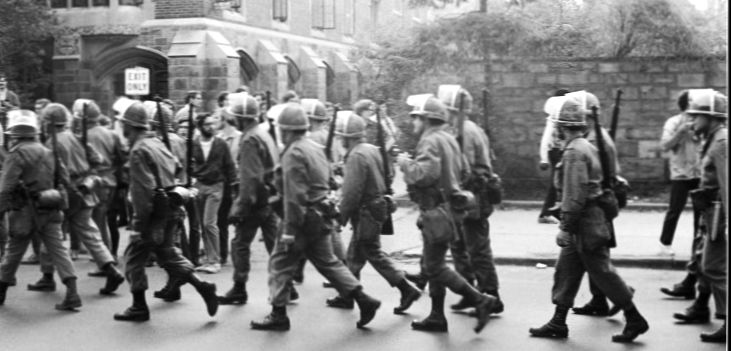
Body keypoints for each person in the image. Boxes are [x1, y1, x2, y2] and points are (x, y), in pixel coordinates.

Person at [528, 94, 648, 343]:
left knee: (603, 272)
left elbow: (575, 195)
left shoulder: (574, 152)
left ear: (562, 126)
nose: (554, 132)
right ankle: (558, 321)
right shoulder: (585, 146)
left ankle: (634, 318)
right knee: (566, 271)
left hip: (585, 223)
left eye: (556, 126)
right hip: (586, 222)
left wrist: (564, 227)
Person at [250, 103, 381, 331]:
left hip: (302, 217)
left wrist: (290, 230)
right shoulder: (313, 147)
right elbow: (327, 178)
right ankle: (364, 299)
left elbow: (294, 196)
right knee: (328, 262)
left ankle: (278, 314)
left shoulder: (293, 153)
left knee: (279, 263)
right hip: (320, 214)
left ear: (287, 129)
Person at [396, 95, 498, 333]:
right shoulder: (449, 138)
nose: (413, 123)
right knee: (435, 264)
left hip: (437, 211)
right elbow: (463, 170)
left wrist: (404, 163)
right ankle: (437, 315)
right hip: (450, 209)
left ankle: (480, 300)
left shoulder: (430, 140)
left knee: (435, 267)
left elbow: (424, 175)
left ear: (427, 119)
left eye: (416, 118)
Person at [113, 101, 218, 322]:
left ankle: (138, 306)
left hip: (153, 215)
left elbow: (143, 194)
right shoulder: (157, 143)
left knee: (132, 259)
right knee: (168, 254)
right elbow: (177, 167)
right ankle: (202, 286)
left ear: (129, 125)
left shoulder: (139, 150)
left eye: (123, 123)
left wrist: (138, 226)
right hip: (171, 207)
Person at [325, 112, 421, 313]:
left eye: (342, 136)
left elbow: (352, 193)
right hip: (375, 208)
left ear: (347, 137)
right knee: (354, 256)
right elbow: (385, 175)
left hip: (366, 211)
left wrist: (339, 219)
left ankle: (405, 289)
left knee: (372, 253)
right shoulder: (370, 149)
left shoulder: (356, 156)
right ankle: (348, 294)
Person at [29, 103, 125, 296]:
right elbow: (97, 160)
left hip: (65, 192)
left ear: (48, 122)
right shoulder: (78, 138)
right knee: (90, 234)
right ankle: (110, 269)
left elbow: (51, 171)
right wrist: (87, 174)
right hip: (85, 190)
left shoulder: (51, 143)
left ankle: (48, 277)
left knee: (51, 234)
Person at [0, 109, 81, 311]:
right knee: (59, 252)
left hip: (24, 212)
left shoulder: (16, 154)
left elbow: (6, 188)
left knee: (13, 252)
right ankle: (72, 292)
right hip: (50, 206)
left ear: (15, 135)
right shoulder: (48, 151)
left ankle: (1, 290)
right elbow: (64, 178)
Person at [436, 86, 504, 315]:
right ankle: (469, 293)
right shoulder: (462, 128)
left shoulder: (466, 132)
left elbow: (463, 168)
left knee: (477, 250)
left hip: (473, 197)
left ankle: (491, 296)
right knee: (459, 247)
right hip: (467, 197)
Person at [672, 89, 727, 343]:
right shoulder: (713, 138)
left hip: (719, 213)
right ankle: (701, 307)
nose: (691, 121)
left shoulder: (721, 143)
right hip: (710, 211)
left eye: (696, 117)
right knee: (703, 263)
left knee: (714, 266)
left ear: (712, 117)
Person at [217, 93, 280, 305]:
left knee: (240, 244)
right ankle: (285, 285)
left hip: (255, 202)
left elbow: (249, 178)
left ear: (241, 118)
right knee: (276, 246)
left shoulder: (249, 138)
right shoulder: (262, 133)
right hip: (270, 199)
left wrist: (240, 208)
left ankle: (239, 287)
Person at [659, 90, 705, 299]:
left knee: (700, 214)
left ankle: (697, 248)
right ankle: (665, 244)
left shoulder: (702, 122)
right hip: (680, 172)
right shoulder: (673, 122)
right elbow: (665, 145)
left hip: (699, 172)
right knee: (674, 210)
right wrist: (681, 132)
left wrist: (696, 132)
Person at [72, 99, 127, 269]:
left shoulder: (82, 138)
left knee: (98, 221)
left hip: (94, 182)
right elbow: (121, 158)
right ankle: (105, 256)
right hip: (110, 180)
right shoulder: (111, 134)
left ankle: (106, 260)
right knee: (100, 219)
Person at [190, 113, 236, 274]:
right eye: (207, 124)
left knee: (210, 223)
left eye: (213, 123)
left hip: (216, 186)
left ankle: (215, 261)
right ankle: (209, 259)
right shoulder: (193, 144)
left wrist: (234, 187)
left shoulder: (221, 144)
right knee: (203, 224)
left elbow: (229, 166)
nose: (211, 127)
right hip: (199, 185)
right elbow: (187, 164)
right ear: (200, 127)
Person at [537, 88, 570, 224]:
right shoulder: (554, 120)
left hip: (560, 151)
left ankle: (555, 211)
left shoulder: (558, 118)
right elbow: (546, 139)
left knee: (561, 182)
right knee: (555, 182)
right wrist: (544, 158)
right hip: (556, 152)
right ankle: (546, 213)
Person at [215, 91, 239, 266]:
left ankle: (239, 252)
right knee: (221, 220)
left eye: (218, 119)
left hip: (236, 184)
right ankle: (222, 253)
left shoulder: (240, 138)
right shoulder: (218, 138)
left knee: (239, 221)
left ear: (225, 120)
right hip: (221, 184)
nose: (215, 122)